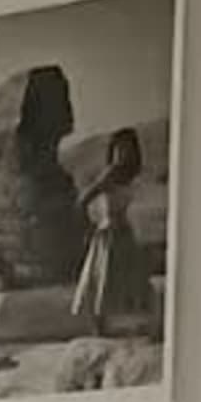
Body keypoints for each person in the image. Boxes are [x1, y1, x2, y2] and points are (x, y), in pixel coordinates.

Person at [70, 125, 159, 339]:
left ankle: (129, 329)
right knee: (101, 281)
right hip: (108, 233)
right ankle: (99, 330)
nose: (123, 154)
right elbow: (84, 199)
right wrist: (92, 223)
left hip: (123, 232)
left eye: (127, 149)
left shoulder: (130, 176)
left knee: (128, 282)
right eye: (119, 149)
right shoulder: (109, 174)